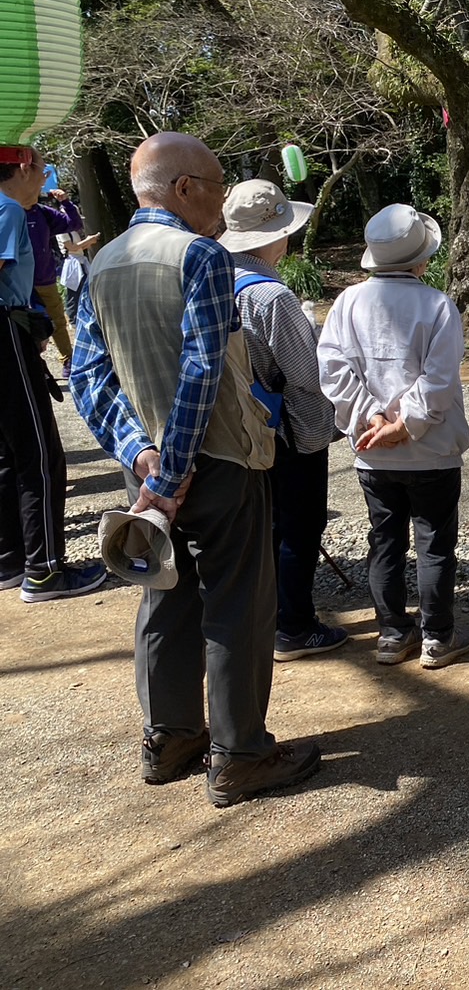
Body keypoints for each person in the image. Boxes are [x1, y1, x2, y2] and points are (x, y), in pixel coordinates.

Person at [71, 132, 320, 806]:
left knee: (165, 594)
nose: (219, 200)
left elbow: (89, 377)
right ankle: (240, 754)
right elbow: (203, 368)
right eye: (213, 184)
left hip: (148, 470)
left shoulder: (103, 262)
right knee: (238, 601)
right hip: (216, 462)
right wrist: (174, 468)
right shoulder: (200, 256)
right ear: (182, 188)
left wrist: (140, 457)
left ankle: (171, 737)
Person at [318, 203, 469, 670]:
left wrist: (370, 420)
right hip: (431, 450)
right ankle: (437, 637)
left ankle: (391, 633)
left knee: (385, 541)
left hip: (373, 453)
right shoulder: (436, 305)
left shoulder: (347, 302)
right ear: (420, 259)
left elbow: (333, 369)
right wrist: (405, 422)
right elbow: (440, 378)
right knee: (434, 543)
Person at [216, 179, 348, 663]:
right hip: (287, 429)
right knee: (298, 526)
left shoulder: (213, 277)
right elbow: (307, 376)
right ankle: (293, 626)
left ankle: (262, 618)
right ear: (276, 235)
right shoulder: (271, 296)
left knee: (262, 527)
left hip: (234, 427)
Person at [0, 148, 106, 602]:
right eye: (41, 170)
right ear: (23, 168)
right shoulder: (5, 209)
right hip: (5, 336)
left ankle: (10, 560)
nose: (43, 179)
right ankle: (43, 570)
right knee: (40, 455)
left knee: (6, 454)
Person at [25, 182, 84, 375]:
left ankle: (68, 361)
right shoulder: (9, 212)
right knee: (24, 324)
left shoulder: (43, 212)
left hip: (45, 280)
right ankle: (33, 365)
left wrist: (65, 202)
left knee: (58, 322)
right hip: (18, 283)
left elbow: (73, 224)